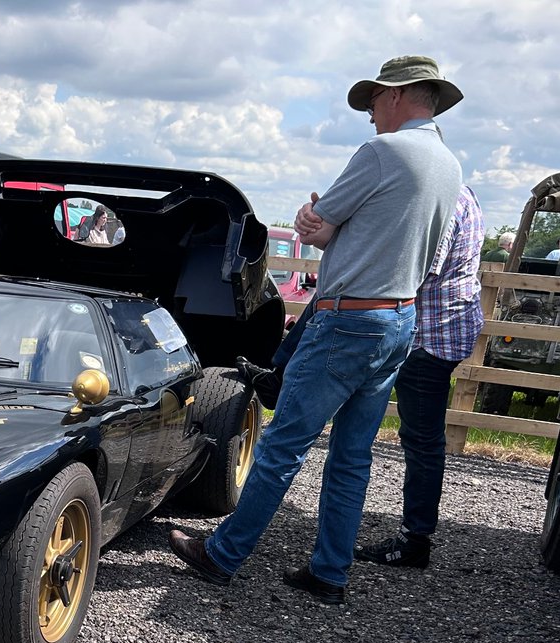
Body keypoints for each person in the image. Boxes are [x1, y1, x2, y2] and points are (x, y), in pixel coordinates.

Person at [168, 55, 463, 604]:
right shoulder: (449, 164)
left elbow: (321, 226)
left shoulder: (382, 152)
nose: (371, 113)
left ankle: (223, 555)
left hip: (348, 317)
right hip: (399, 317)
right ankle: (329, 572)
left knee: (282, 445)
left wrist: (312, 220)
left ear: (397, 95)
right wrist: (325, 227)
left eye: (374, 100)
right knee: (353, 455)